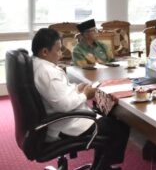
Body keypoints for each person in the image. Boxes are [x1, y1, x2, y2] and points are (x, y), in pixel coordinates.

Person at [32, 28, 129, 170]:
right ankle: (103, 167)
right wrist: (85, 95)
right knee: (119, 127)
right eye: (58, 50)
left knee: (109, 121)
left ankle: (100, 165)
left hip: (57, 120)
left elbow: (59, 92)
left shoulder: (37, 64)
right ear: (45, 52)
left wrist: (77, 88)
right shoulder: (47, 72)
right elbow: (64, 105)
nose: (60, 54)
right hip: (65, 125)